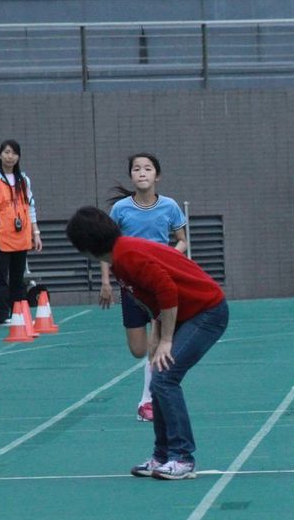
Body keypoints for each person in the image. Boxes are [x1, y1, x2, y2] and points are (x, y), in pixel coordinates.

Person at [65, 206, 228, 480]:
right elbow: (151, 297)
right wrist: (156, 334)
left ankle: (182, 457)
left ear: (86, 247)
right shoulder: (118, 259)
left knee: (165, 377)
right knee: (157, 376)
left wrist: (166, 340)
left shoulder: (127, 255)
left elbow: (167, 290)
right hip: (185, 314)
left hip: (207, 311)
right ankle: (162, 455)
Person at [99, 153, 189, 423]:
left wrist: (168, 257)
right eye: (137, 169)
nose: (142, 173)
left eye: (147, 168)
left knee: (156, 340)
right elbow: (106, 247)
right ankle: (150, 396)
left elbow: (182, 240)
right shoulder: (121, 210)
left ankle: (147, 400)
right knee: (138, 349)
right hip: (130, 284)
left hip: (158, 284)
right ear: (131, 176)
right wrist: (106, 282)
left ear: (156, 175)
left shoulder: (170, 206)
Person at [0, 140, 42, 326]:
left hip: (21, 237)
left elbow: (30, 207)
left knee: (18, 278)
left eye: (14, 153)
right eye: (6, 152)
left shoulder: (24, 180)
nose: (10, 156)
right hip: (1, 237)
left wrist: (35, 233)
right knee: (0, 278)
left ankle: (18, 314)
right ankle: (2, 316)